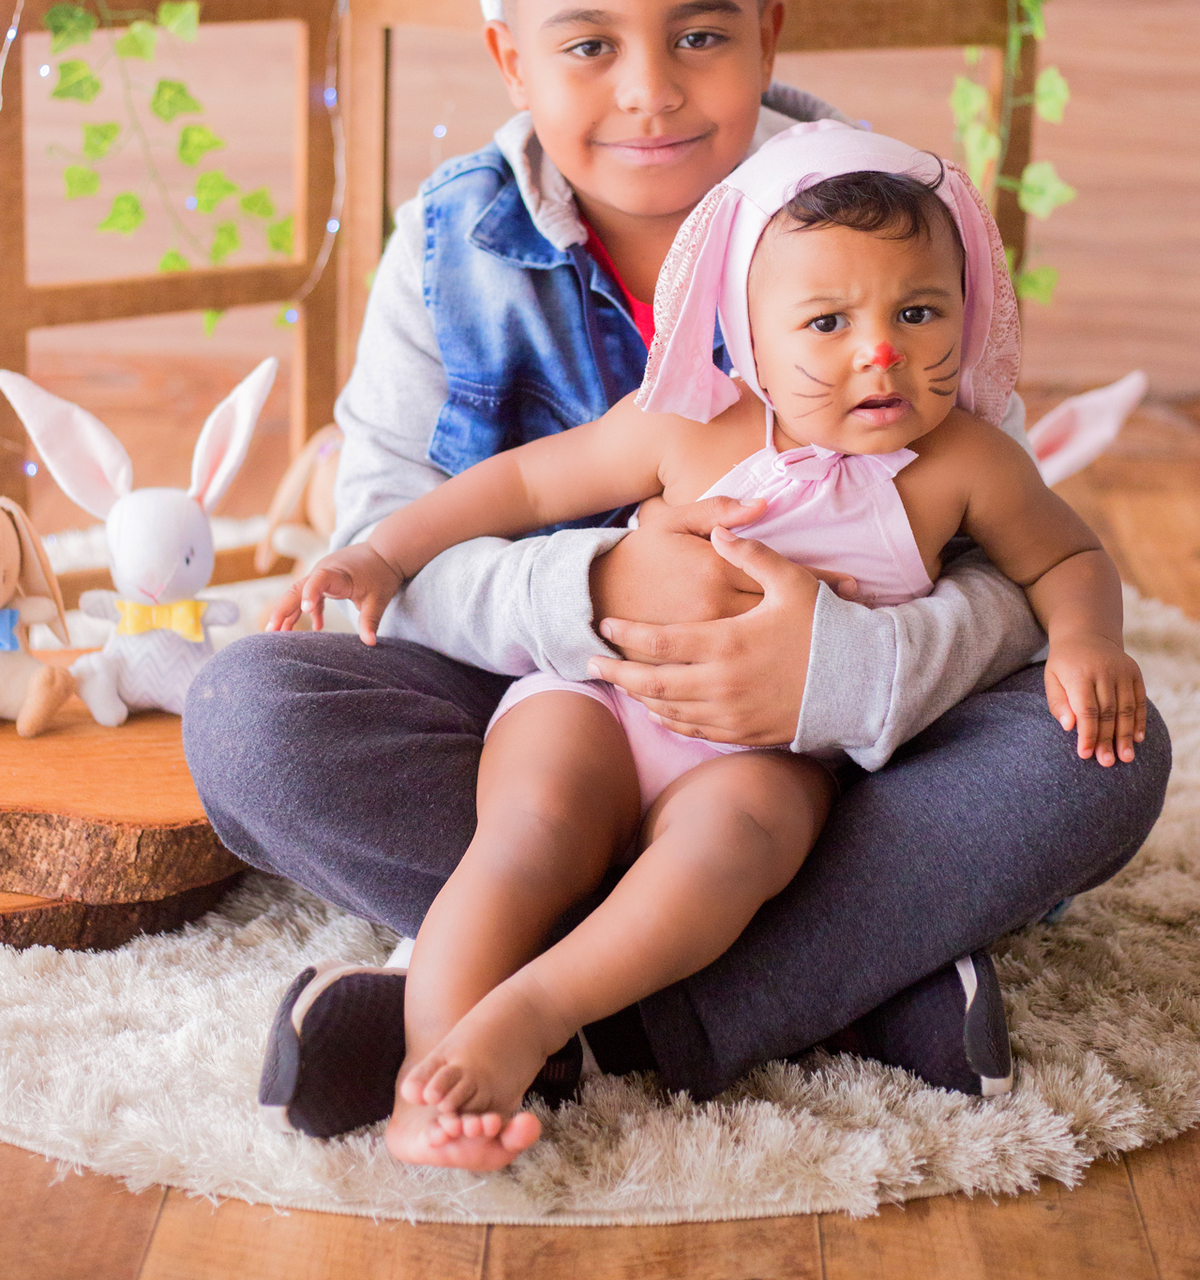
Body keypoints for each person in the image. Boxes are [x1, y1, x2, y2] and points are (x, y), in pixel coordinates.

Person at [183, 0, 1170, 1150]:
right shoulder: (448, 249)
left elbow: (1006, 565)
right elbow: (391, 535)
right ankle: (824, 990)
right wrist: (594, 595)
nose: (649, 91)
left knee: (1096, 755)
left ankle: (526, 1010)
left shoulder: (881, 222)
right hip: (554, 705)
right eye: (587, 45)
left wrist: (839, 668)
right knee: (250, 719)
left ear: (769, 27)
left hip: (816, 760)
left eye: (700, 33)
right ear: (511, 54)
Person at [269, 123, 1147, 1168]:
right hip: (602, 703)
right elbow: (521, 486)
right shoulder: (690, 421)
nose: (882, 353)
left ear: (971, 309)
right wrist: (381, 555)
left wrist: (1089, 640)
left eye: (919, 313)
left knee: (741, 847)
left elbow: (1064, 558)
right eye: (827, 323)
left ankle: (540, 1011)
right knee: (526, 836)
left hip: (771, 759)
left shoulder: (968, 460)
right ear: (746, 327)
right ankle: (434, 1069)